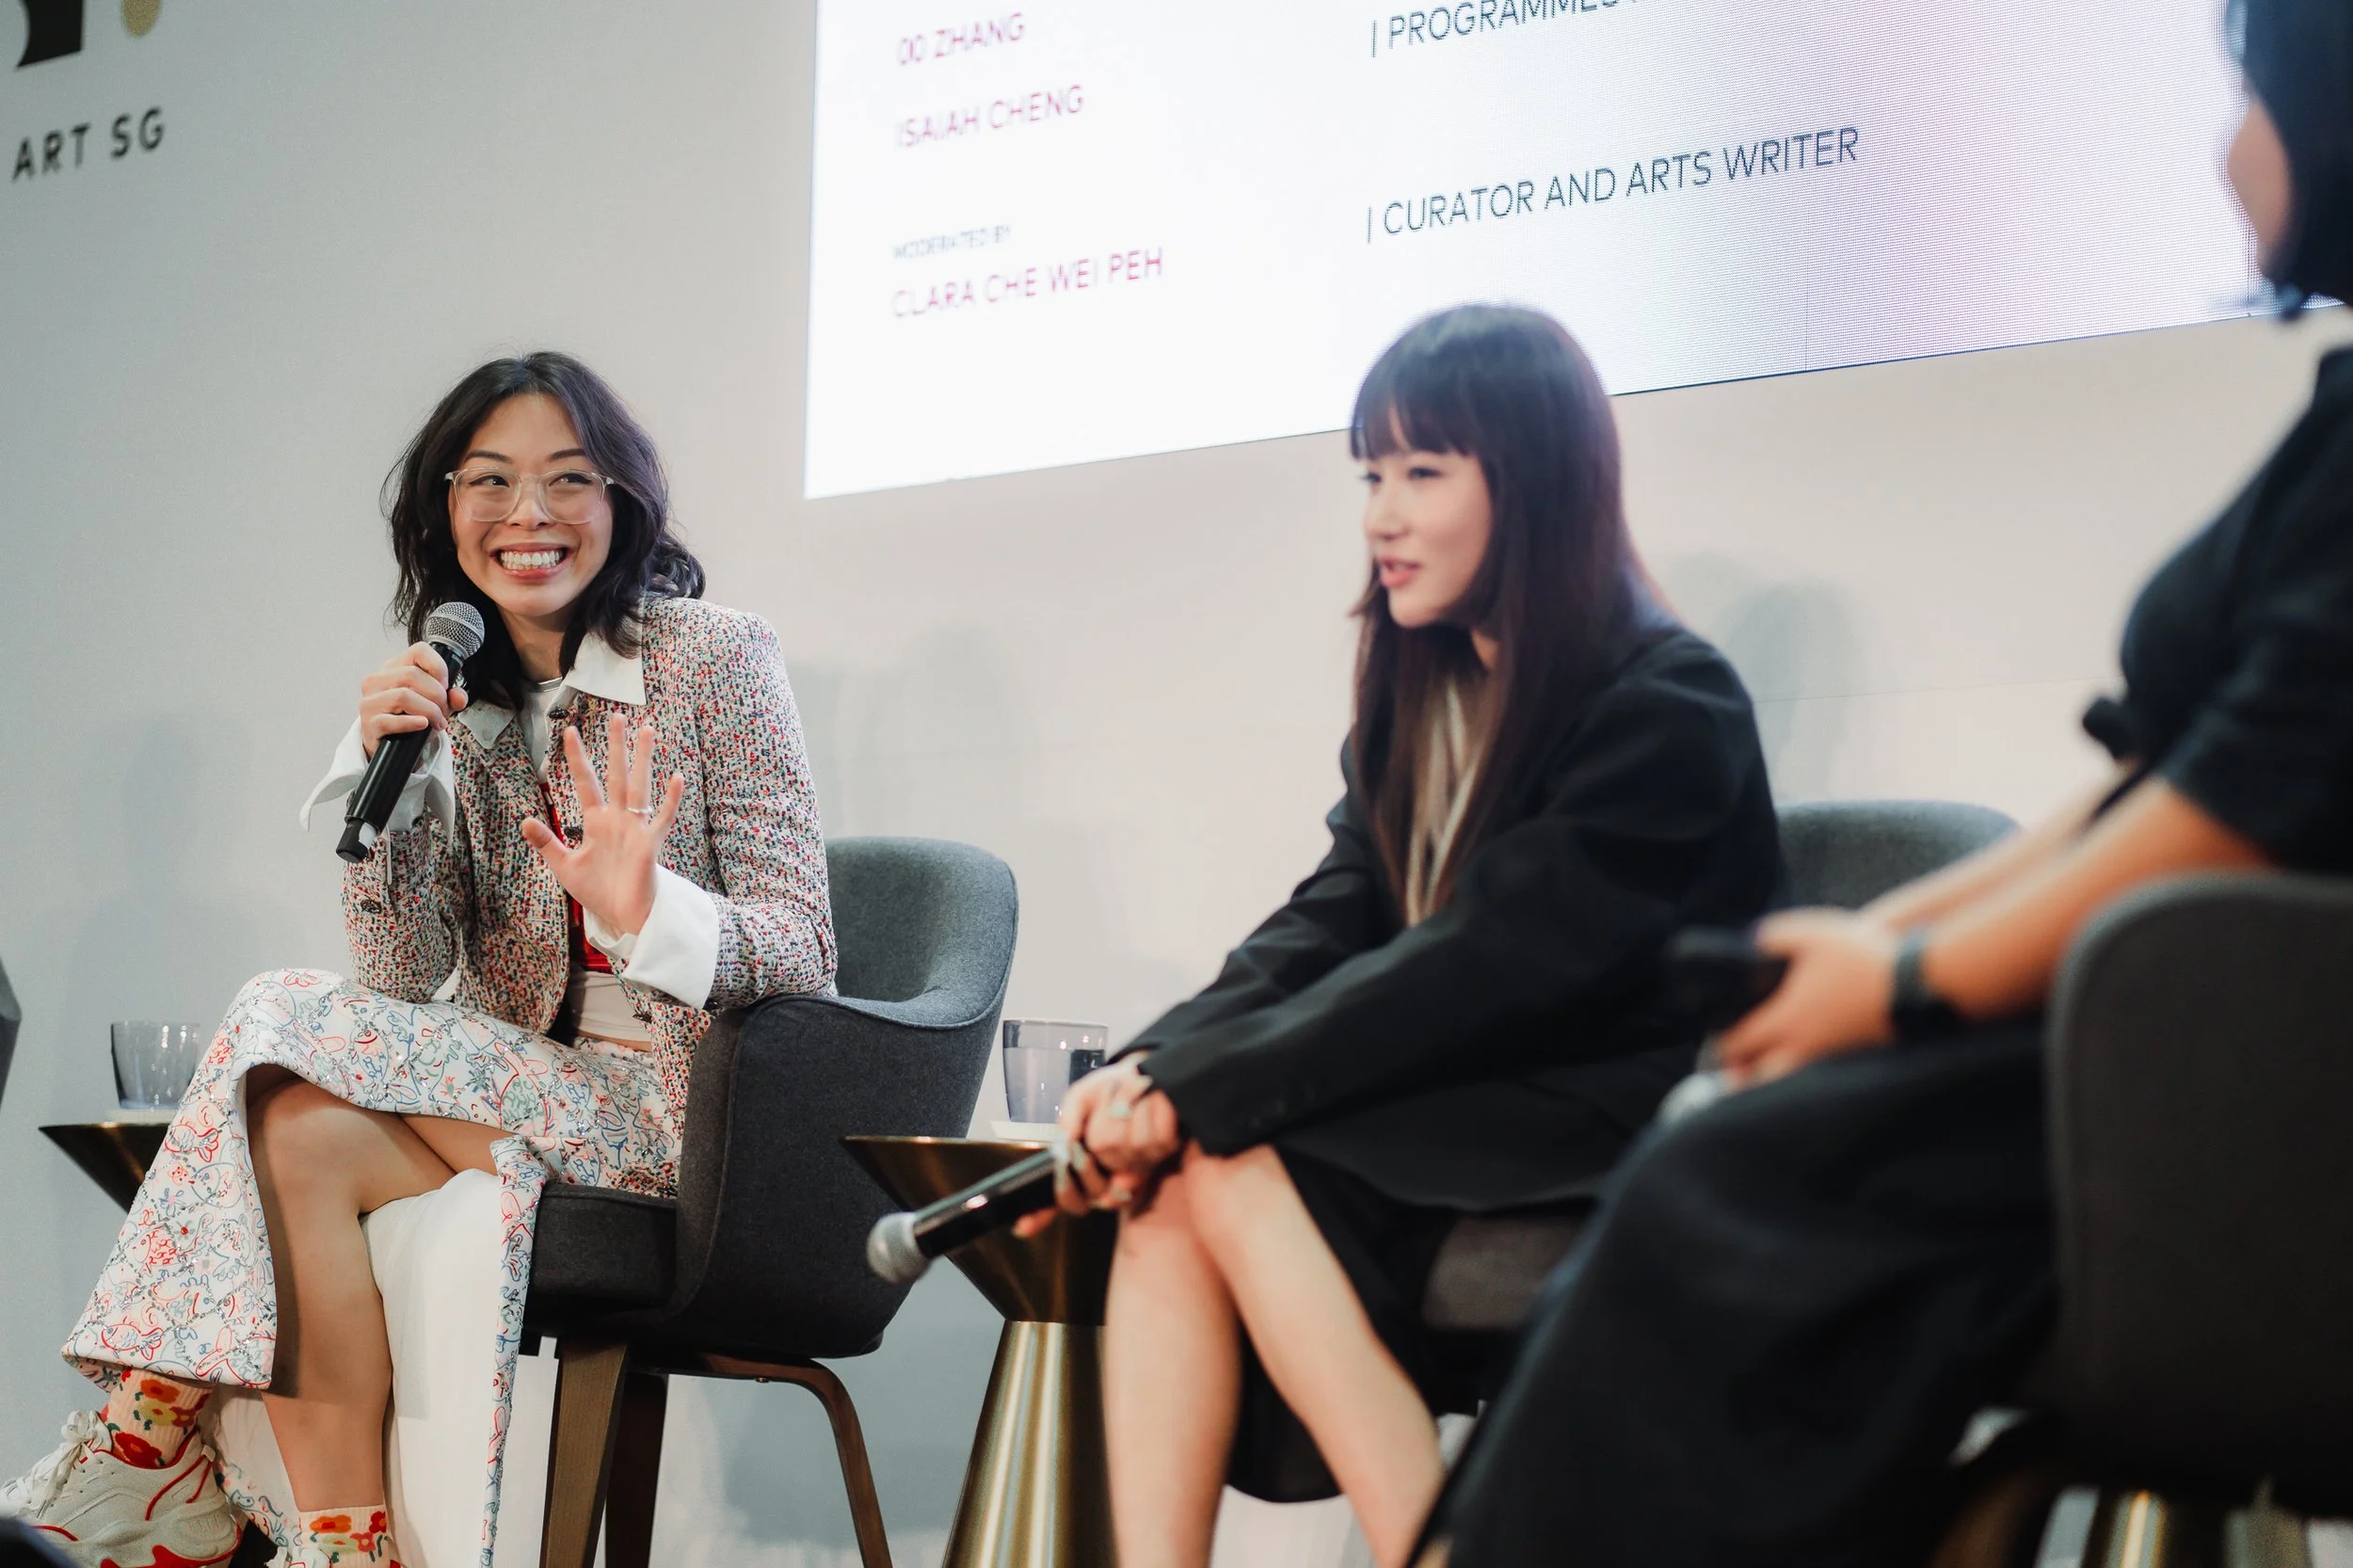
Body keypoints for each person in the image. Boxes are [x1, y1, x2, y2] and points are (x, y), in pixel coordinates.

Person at [1417, 2, 2353, 1562]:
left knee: (1731, 1177)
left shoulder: (1662, 697)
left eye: (2248, 96)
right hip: (2179, 1049)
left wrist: (1909, 982)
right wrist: (1883, 948)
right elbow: (2142, 789)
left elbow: (2238, 821)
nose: (2224, 146)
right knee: (1724, 1146)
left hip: (2246, 1092)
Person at [1, 353, 835, 1568]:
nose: (528, 516)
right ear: (445, 512)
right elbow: (401, 983)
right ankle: (348, 1544)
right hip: (527, 1103)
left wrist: (653, 911)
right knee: (289, 1131)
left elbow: (805, 944)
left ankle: (143, 1430)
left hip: (682, 1120)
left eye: (565, 480)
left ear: (623, 502)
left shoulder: (715, 659)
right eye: (489, 481)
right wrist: (386, 791)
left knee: (276, 1011)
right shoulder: (461, 692)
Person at [1016, 305, 1785, 1568]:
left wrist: (1199, 1091)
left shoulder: (1668, 701)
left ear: (1534, 479)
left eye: (1424, 471)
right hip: (1463, 1094)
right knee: (1174, 1167)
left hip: (1598, 1112)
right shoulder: (1423, 689)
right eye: (1371, 472)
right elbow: (1330, 920)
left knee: (1219, 1149)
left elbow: (1480, 963)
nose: (1381, 512)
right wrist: (1147, 1071)